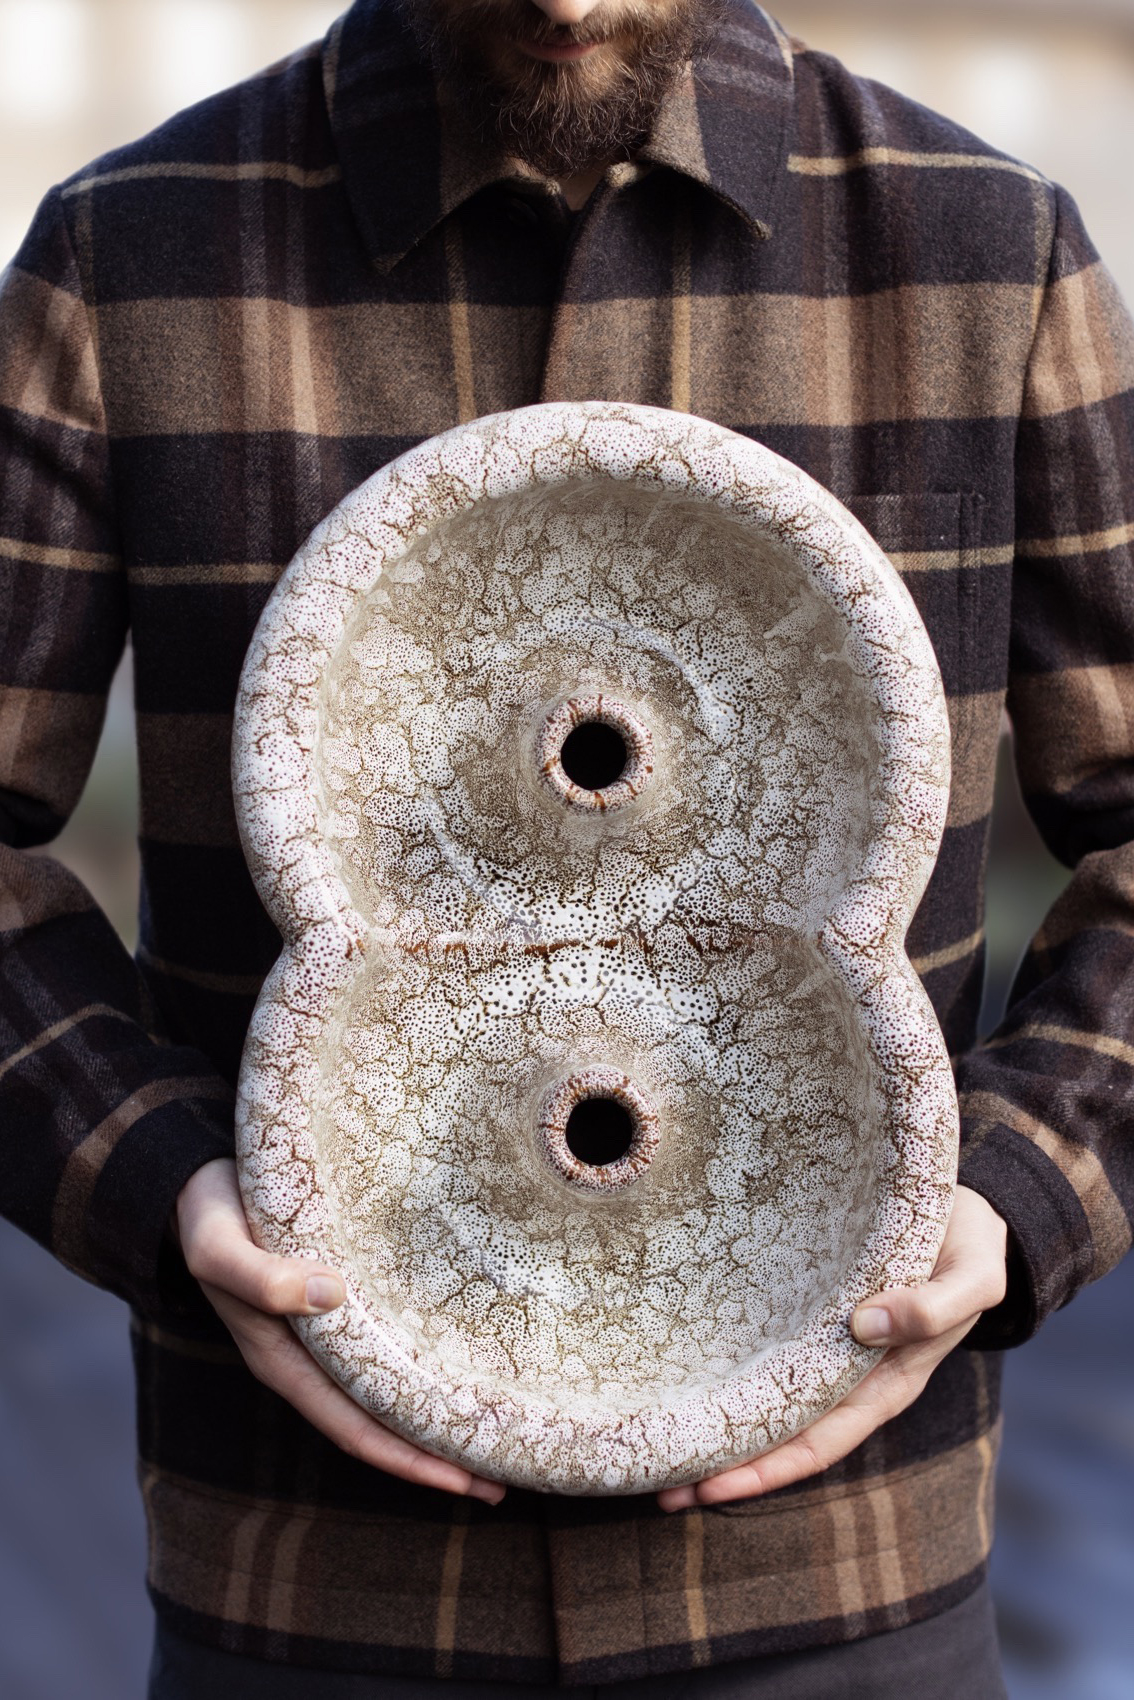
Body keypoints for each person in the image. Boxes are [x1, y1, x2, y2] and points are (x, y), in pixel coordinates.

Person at [1, 0, 1131, 1694]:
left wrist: (1022, 1183)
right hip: (314, 1577)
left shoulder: (984, 250)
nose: (562, 13)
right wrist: (156, 1180)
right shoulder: (131, 252)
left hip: (837, 1574)